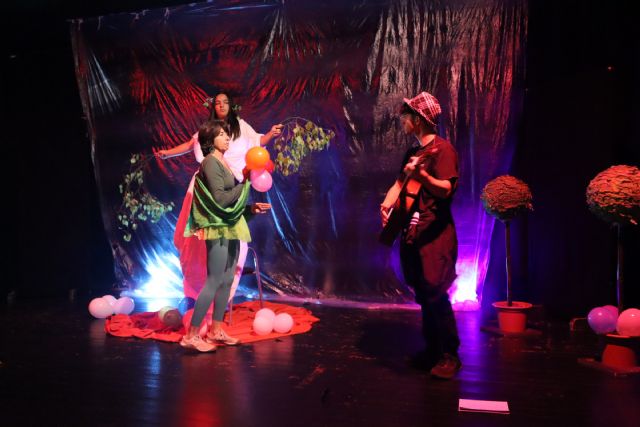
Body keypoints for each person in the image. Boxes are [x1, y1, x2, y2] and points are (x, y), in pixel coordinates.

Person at [157, 93, 282, 302]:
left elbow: (257, 141)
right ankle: (197, 291)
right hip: (208, 186)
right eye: (217, 103)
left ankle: (218, 293)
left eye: (225, 102)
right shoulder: (209, 135)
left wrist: (270, 134)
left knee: (230, 237)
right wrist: (167, 153)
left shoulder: (241, 127)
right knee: (199, 239)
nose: (221, 105)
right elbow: (190, 144)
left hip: (229, 184)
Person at [380, 91, 461, 379]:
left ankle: (450, 354)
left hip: (434, 235)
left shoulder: (443, 150)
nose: (402, 120)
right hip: (413, 232)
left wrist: (424, 176)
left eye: (406, 115)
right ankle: (432, 350)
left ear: (418, 119)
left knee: (436, 293)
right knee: (424, 294)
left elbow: (446, 189)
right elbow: (399, 184)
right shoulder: (413, 152)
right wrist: (386, 205)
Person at [180, 119, 271, 352]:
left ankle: (216, 330)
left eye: (226, 134)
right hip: (218, 227)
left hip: (230, 226)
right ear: (210, 140)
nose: (227, 137)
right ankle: (191, 335)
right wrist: (246, 182)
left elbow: (231, 203)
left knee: (227, 279)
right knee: (214, 279)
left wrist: (250, 209)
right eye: (221, 134)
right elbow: (220, 200)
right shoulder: (210, 162)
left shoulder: (223, 162)